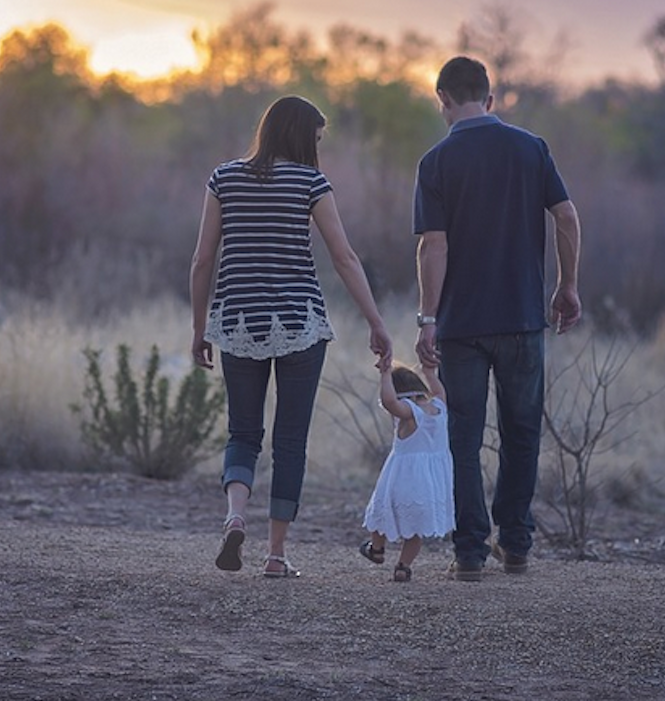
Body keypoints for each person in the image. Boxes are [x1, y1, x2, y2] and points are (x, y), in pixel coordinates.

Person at [190, 95, 392, 579]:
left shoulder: (224, 178)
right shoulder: (310, 183)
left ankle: (235, 515)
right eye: (317, 139)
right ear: (302, 137)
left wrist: (200, 329)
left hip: (237, 321)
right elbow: (344, 258)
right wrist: (376, 321)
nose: (318, 148)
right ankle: (276, 555)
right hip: (300, 323)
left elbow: (202, 260)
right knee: (290, 441)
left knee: (242, 432)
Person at [412, 57, 582, 582]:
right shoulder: (531, 148)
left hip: (462, 325)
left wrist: (427, 317)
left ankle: (469, 553)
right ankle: (516, 543)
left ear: (442, 98)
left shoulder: (436, 161)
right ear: (490, 97)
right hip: (523, 318)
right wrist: (567, 285)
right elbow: (567, 216)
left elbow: (432, 246)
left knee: (463, 437)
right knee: (522, 432)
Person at [359, 361, 455, 582]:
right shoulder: (439, 407)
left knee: (381, 513)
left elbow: (389, 401)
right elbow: (439, 390)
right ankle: (403, 567)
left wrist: (384, 375)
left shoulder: (409, 412)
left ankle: (377, 548)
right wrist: (430, 373)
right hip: (430, 483)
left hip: (403, 478)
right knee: (415, 529)